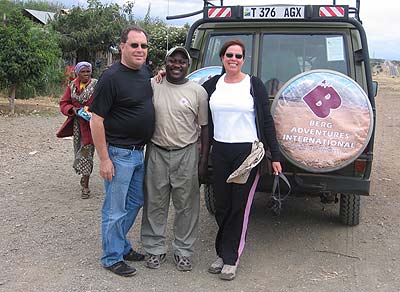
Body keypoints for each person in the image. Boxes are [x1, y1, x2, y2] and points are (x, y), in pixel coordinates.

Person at [202, 39, 282, 280]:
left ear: (243, 60)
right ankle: (223, 252)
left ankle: (230, 258)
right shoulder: (213, 85)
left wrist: (275, 155)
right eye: (229, 55)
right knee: (222, 205)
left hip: (247, 153)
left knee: (239, 206)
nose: (233, 59)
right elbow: (185, 90)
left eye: (238, 56)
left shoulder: (253, 84)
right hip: (221, 151)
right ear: (222, 58)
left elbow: (266, 121)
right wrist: (160, 77)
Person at [89, 26, 155, 277]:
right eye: (134, 45)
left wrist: (158, 75)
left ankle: (121, 245)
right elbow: (96, 120)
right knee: (115, 209)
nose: (140, 50)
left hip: (139, 153)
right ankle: (111, 256)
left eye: (144, 46)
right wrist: (104, 159)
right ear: (122, 47)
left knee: (136, 201)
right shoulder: (111, 77)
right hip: (118, 154)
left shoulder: (144, 72)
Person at [140, 47, 209, 271]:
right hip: (157, 151)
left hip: (186, 153)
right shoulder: (153, 85)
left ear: (188, 66)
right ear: (166, 62)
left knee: (187, 206)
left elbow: (204, 128)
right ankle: (154, 250)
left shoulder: (197, 91)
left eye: (182, 61)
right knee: (154, 204)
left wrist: (202, 161)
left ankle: (183, 251)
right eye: (172, 60)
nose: (177, 65)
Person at [57, 61, 97, 199]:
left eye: (88, 72)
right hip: (77, 125)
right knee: (79, 152)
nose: (86, 74)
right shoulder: (72, 86)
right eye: (83, 72)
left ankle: (85, 186)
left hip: (92, 125)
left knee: (87, 152)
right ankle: (83, 174)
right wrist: (72, 109)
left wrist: (92, 112)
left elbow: (103, 101)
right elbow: (64, 103)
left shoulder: (96, 85)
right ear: (77, 73)